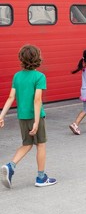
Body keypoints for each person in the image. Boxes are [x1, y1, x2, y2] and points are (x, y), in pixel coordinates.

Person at [0, 45, 57, 188]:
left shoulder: (17, 76)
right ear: (38, 58)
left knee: (27, 144)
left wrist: (1, 115)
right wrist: (37, 122)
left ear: (21, 58)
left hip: (22, 117)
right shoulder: (39, 76)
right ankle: (41, 178)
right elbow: (37, 100)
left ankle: (10, 166)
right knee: (41, 145)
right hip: (35, 117)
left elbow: (11, 97)